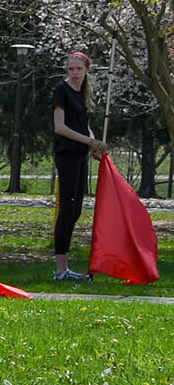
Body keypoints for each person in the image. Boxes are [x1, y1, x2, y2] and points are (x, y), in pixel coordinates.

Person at [50, 52, 110, 280]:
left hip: (80, 155)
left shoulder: (83, 94)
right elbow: (60, 127)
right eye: (71, 69)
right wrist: (89, 141)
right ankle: (60, 267)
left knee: (75, 210)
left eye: (79, 69)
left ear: (87, 70)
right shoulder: (61, 91)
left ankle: (65, 267)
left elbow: (84, 125)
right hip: (66, 154)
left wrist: (95, 146)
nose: (74, 73)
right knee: (66, 209)